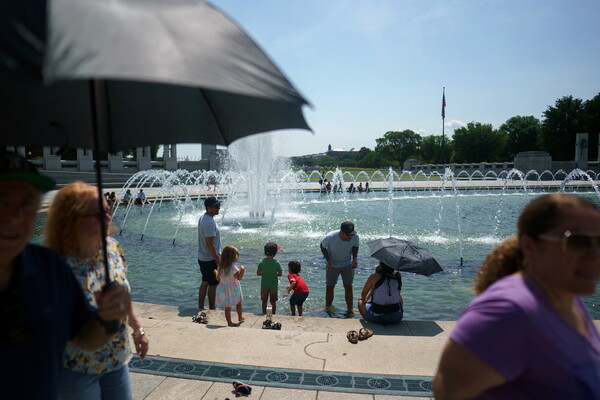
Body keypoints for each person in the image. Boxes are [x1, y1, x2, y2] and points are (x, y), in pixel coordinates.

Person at [433, 193, 600, 399]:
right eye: (577, 241)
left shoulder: (568, 298)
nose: (594, 254)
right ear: (530, 246)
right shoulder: (508, 313)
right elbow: (449, 392)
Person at [0, 152, 131, 400]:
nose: (16, 215)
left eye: (27, 202)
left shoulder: (48, 265)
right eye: (3, 200)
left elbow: (83, 337)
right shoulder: (61, 260)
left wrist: (107, 318)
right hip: (76, 374)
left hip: (114, 362)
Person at [44, 181, 149, 400]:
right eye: (97, 214)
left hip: (117, 359)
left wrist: (137, 328)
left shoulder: (112, 248)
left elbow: (122, 295)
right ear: (70, 219)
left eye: (107, 211)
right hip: (76, 368)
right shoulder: (55, 266)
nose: (108, 217)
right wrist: (102, 316)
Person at [320, 221, 359, 311]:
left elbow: (355, 246)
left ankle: (350, 309)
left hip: (347, 264)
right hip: (332, 265)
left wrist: (355, 259)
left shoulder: (355, 237)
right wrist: (328, 261)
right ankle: (327, 307)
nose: (350, 237)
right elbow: (322, 246)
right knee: (330, 286)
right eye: (348, 235)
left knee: (348, 286)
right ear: (341, 232)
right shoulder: (330, 237)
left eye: (351, 235)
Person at [197, 196, 222, 309]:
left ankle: (201, 306)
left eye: (219, 206)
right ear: (209, 208)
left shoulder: (203, 218)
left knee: (205, 281)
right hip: (210, 258)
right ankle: (212, 307)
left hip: (203, 257)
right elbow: (209, 244)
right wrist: (217, 259)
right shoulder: (209, 223)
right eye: (216, 207)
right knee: (212, 284)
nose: (219, 208)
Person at [216, 245, 245, 327]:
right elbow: (239, 278)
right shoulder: (233, 267)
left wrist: (216, 272)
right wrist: (242, 270)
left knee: (227, 307)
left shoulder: (221, 267)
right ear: (232, 257)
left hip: (224, 289)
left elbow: (218, 279)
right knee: (238, 303)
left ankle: (229, 322)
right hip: (234, 288)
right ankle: (240, 317)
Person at [257, 242, 283, 315]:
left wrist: (265, 273)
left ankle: (264, 314)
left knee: (264, 301)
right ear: (275, 253)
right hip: (273, 286)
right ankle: (273, 314)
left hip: (264, 286)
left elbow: (258, 273)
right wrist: (273, 274)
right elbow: (280, 274)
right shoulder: (277, 262)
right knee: (273, 302)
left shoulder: (261, 262)